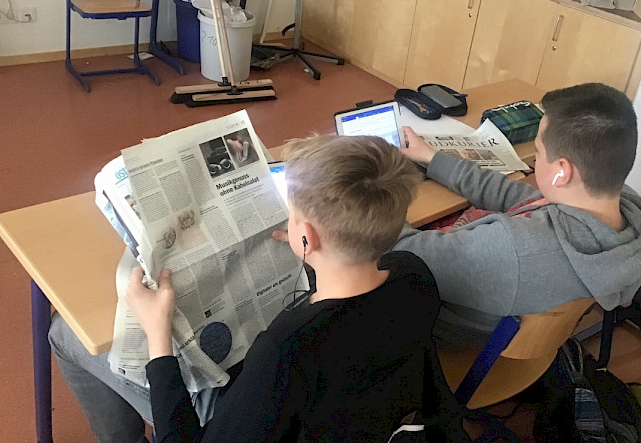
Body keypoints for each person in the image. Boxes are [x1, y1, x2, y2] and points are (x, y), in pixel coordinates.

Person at [49, 135, 467, 443]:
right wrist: (311, 246)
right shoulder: (413, 275)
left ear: (308, 236)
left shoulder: (285, 350)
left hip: (269, 408)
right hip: (365, 421)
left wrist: (159, 338)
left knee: (66, 335)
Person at [394, 83, 641, 345]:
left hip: (449, 328)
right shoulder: (632, 216)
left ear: (562, 171)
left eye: (539, 152)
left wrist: (379, 194)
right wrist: (433, 158)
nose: (534, 160)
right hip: (514, 318)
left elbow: (403, 253)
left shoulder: (513, 247)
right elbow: (517, 197)